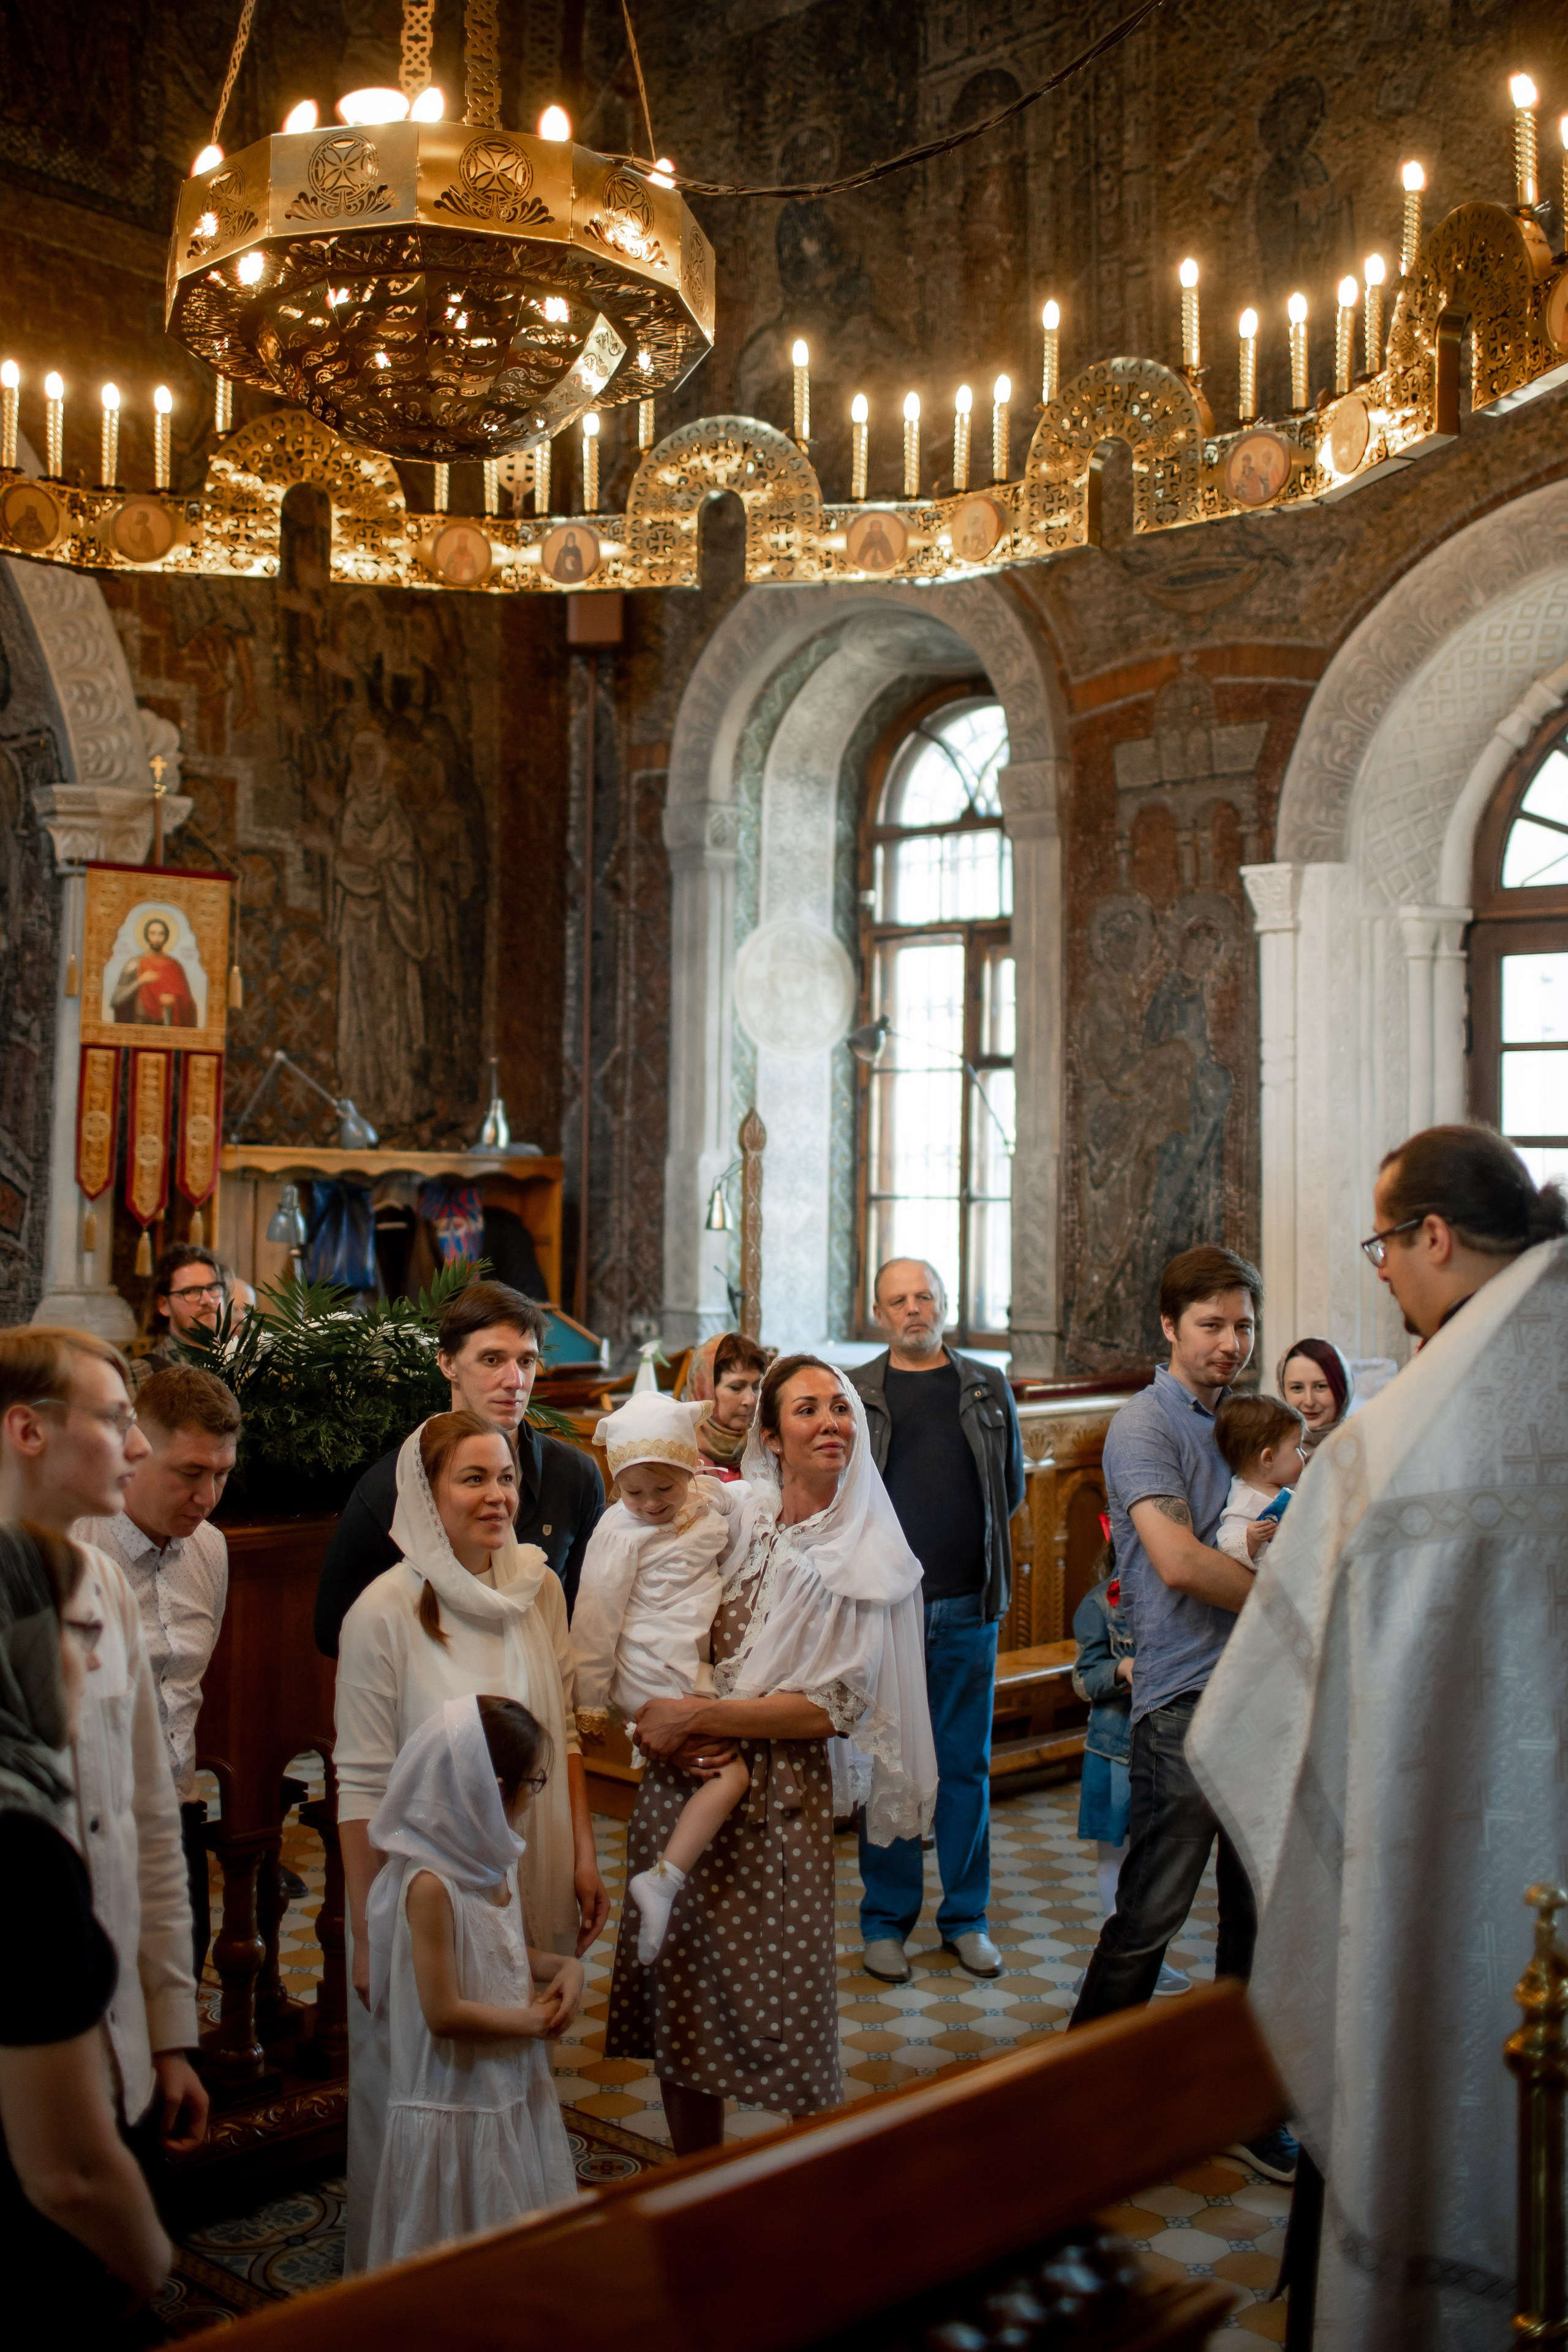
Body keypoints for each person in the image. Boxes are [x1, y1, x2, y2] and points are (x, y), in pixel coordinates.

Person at [1191, 1126, 1568, 2349]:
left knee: (1426, 2074)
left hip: (1450, 1878)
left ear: (1434, 1238)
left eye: (1382, 1246)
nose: (1381, 1274)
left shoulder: (1399, 1446)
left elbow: (1264, 1716)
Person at [604, 1355, 937, 2154]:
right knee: (681, 1998)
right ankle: (694, 2184)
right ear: (771, 1436)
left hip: (780, 1794)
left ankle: (803, 2212)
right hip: (691, 1776)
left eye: (842, 1408)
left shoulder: (867, 1554)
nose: (832, 1423)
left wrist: (700, 1714)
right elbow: (647, 1580)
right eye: (809, 1410)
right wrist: (646, 1703)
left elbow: (833, 1709)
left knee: (788, 2019)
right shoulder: (734, 1516)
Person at [334, 1409, 605, 2272]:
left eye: (506, 1479)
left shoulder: (537, 1588)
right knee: (418, 2096)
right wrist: (365, 1929)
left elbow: (559, 1733)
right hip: (417, 1895)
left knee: (513, 2076)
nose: (496, 1497)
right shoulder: (381, 1612)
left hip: (525, 1868)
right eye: (472, 1480)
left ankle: (510, 2265)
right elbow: (362, 1782)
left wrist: (587, 1851)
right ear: (428, 1493)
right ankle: (406, 2277)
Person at [1065, 1248, 1296, 2183]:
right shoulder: (1144, 1425)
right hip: (1184, 1698)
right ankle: (1074, 2098)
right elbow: (1180, 1566)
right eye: (1212, 1325)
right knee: (1152, 1913)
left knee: (1256, 1917)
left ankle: (1239, 2102)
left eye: (1242, 1325)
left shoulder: (1249, 1421)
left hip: (1267, 1692)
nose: (1231, 1344)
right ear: (1169, 1328)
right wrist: (1301, 1597)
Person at [0, 1329, 207, 2188]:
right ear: (28, 1430)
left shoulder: (103, 1585)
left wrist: (169, 2030)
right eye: (116, 1418)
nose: (137, 1447)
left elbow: (148, 1821)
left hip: (114, 2030)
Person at [0, 1522, 172, 2337]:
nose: (99, 1662)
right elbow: (68, 2175)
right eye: (81, 1634)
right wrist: (152, 2268)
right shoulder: (22, 1850)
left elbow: (152, 1821)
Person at [849, 1258, 1023, 1985]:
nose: (914, 1309)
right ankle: (886, 1923)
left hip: (965, 1605)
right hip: (887, 1613)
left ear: (943, 1306)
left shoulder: (986, 1385)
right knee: (886, 1767)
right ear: (880, 1313)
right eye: (900, 1300)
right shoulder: (857, 1393)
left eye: (925, 1297)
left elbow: (1007, 1489)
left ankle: (966, 1919)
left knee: (964, 1769)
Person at [364, 1694, 580, 2268]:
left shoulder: (490, 1857)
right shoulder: (432, 1883)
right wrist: (532, 2021)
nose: (532, 1801)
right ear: (491, 1786)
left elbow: (497, 1946)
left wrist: (565, 1968)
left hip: (507, 2085)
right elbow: (444, 2012)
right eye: (533, 1783)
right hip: (457, 2103)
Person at [315, 1280, 605, 1654]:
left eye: (526, 1361)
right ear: (448, 1363)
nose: (515, 1381)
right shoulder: (392, 1485)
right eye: (492, 1360)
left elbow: (586, 1619)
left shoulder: (575, 1475)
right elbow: (335, 1633)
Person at [75, 1364, 241, 1981]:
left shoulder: (211, 1549)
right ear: (135, 1451)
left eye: (222, 1475)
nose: (207, 1497)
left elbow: (188, 1687)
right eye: (190, 1474)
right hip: (91, 1817)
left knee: (178, 1983)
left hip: (176, 1810)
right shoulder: (76, 1545)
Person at [571, 1395, 750, 1962]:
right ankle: (662, 1882)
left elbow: (719, 1493)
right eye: (634, 1492)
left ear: (690, 1470)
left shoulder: (701, 1498)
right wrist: (591, 1703)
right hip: (650, 1662)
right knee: (731, 1775)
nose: (649, 1505)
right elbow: (595, 1619)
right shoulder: (618, 1533)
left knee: (718, 1767)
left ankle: (672, 1881)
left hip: (687, 1655)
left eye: (664, 1491)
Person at [1070, 1555, 1189, 1998]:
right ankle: (1116, 1950)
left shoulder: (1181, 1601)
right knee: (1114, 1855)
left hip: (1162, 1748)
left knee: (1151, 1857)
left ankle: (1146, 1955)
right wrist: (1122, 1670)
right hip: (1114, 1750)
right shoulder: (1100, 1605)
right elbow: (1084, 1679)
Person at [1212, 1395, 1306, 1564]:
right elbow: (1226, 1547)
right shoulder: (1246, 1503)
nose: (1304, 1455)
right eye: (1297, 1448)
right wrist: (1250, 1538)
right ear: (1268, 1458)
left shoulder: (1287, 1483)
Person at [128, 1243, 226, 1393]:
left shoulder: (248, 1364)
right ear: (164, 1305)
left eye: (213, 1288)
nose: (208, 1300)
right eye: (191, 1291)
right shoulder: (142, 1374)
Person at [687, 1331, 769, 1476]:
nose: (750, 1400)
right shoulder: (679, 1455)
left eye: (756, 1387)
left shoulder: (767, 1446)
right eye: (736, 1388)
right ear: (706, 1391)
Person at [1275, 1336, 1352, 1457]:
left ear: (1342, 1390)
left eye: (1321, 1387)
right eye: (1297, 1388)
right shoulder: (1268, 1453)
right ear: (1283, 1391)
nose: (1309, 1402)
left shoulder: (1365, 1450)